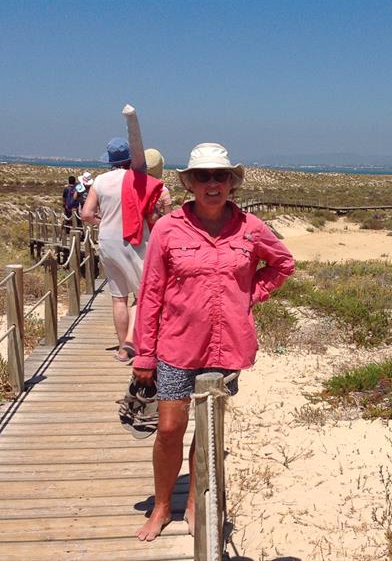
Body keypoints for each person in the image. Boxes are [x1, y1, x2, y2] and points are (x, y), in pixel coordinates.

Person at [131, 142, 295, 541]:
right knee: (170, 427)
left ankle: (194, 504)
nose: (211, 183)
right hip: (175, 345)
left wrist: (248, 296)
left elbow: (283, 264)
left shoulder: (250, 227)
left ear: (230, 183)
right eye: (202, 176)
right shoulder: (169, 228)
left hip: (226, 347)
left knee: (207, 430)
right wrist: (144, 353)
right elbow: (152, 291)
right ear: (190, 183)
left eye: (219, 176)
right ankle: (162, 505)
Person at [81, 106, 165, 362]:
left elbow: (86, 215)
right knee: (145, 294)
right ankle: (132, 342)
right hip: (134, 240)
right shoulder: (136, 178)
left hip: (107, 240)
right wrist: (132, 120)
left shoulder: (99, 181)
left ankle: (121, 348)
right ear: (129, 159)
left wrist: (102, 220)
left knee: (119, 297)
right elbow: (139, 148)